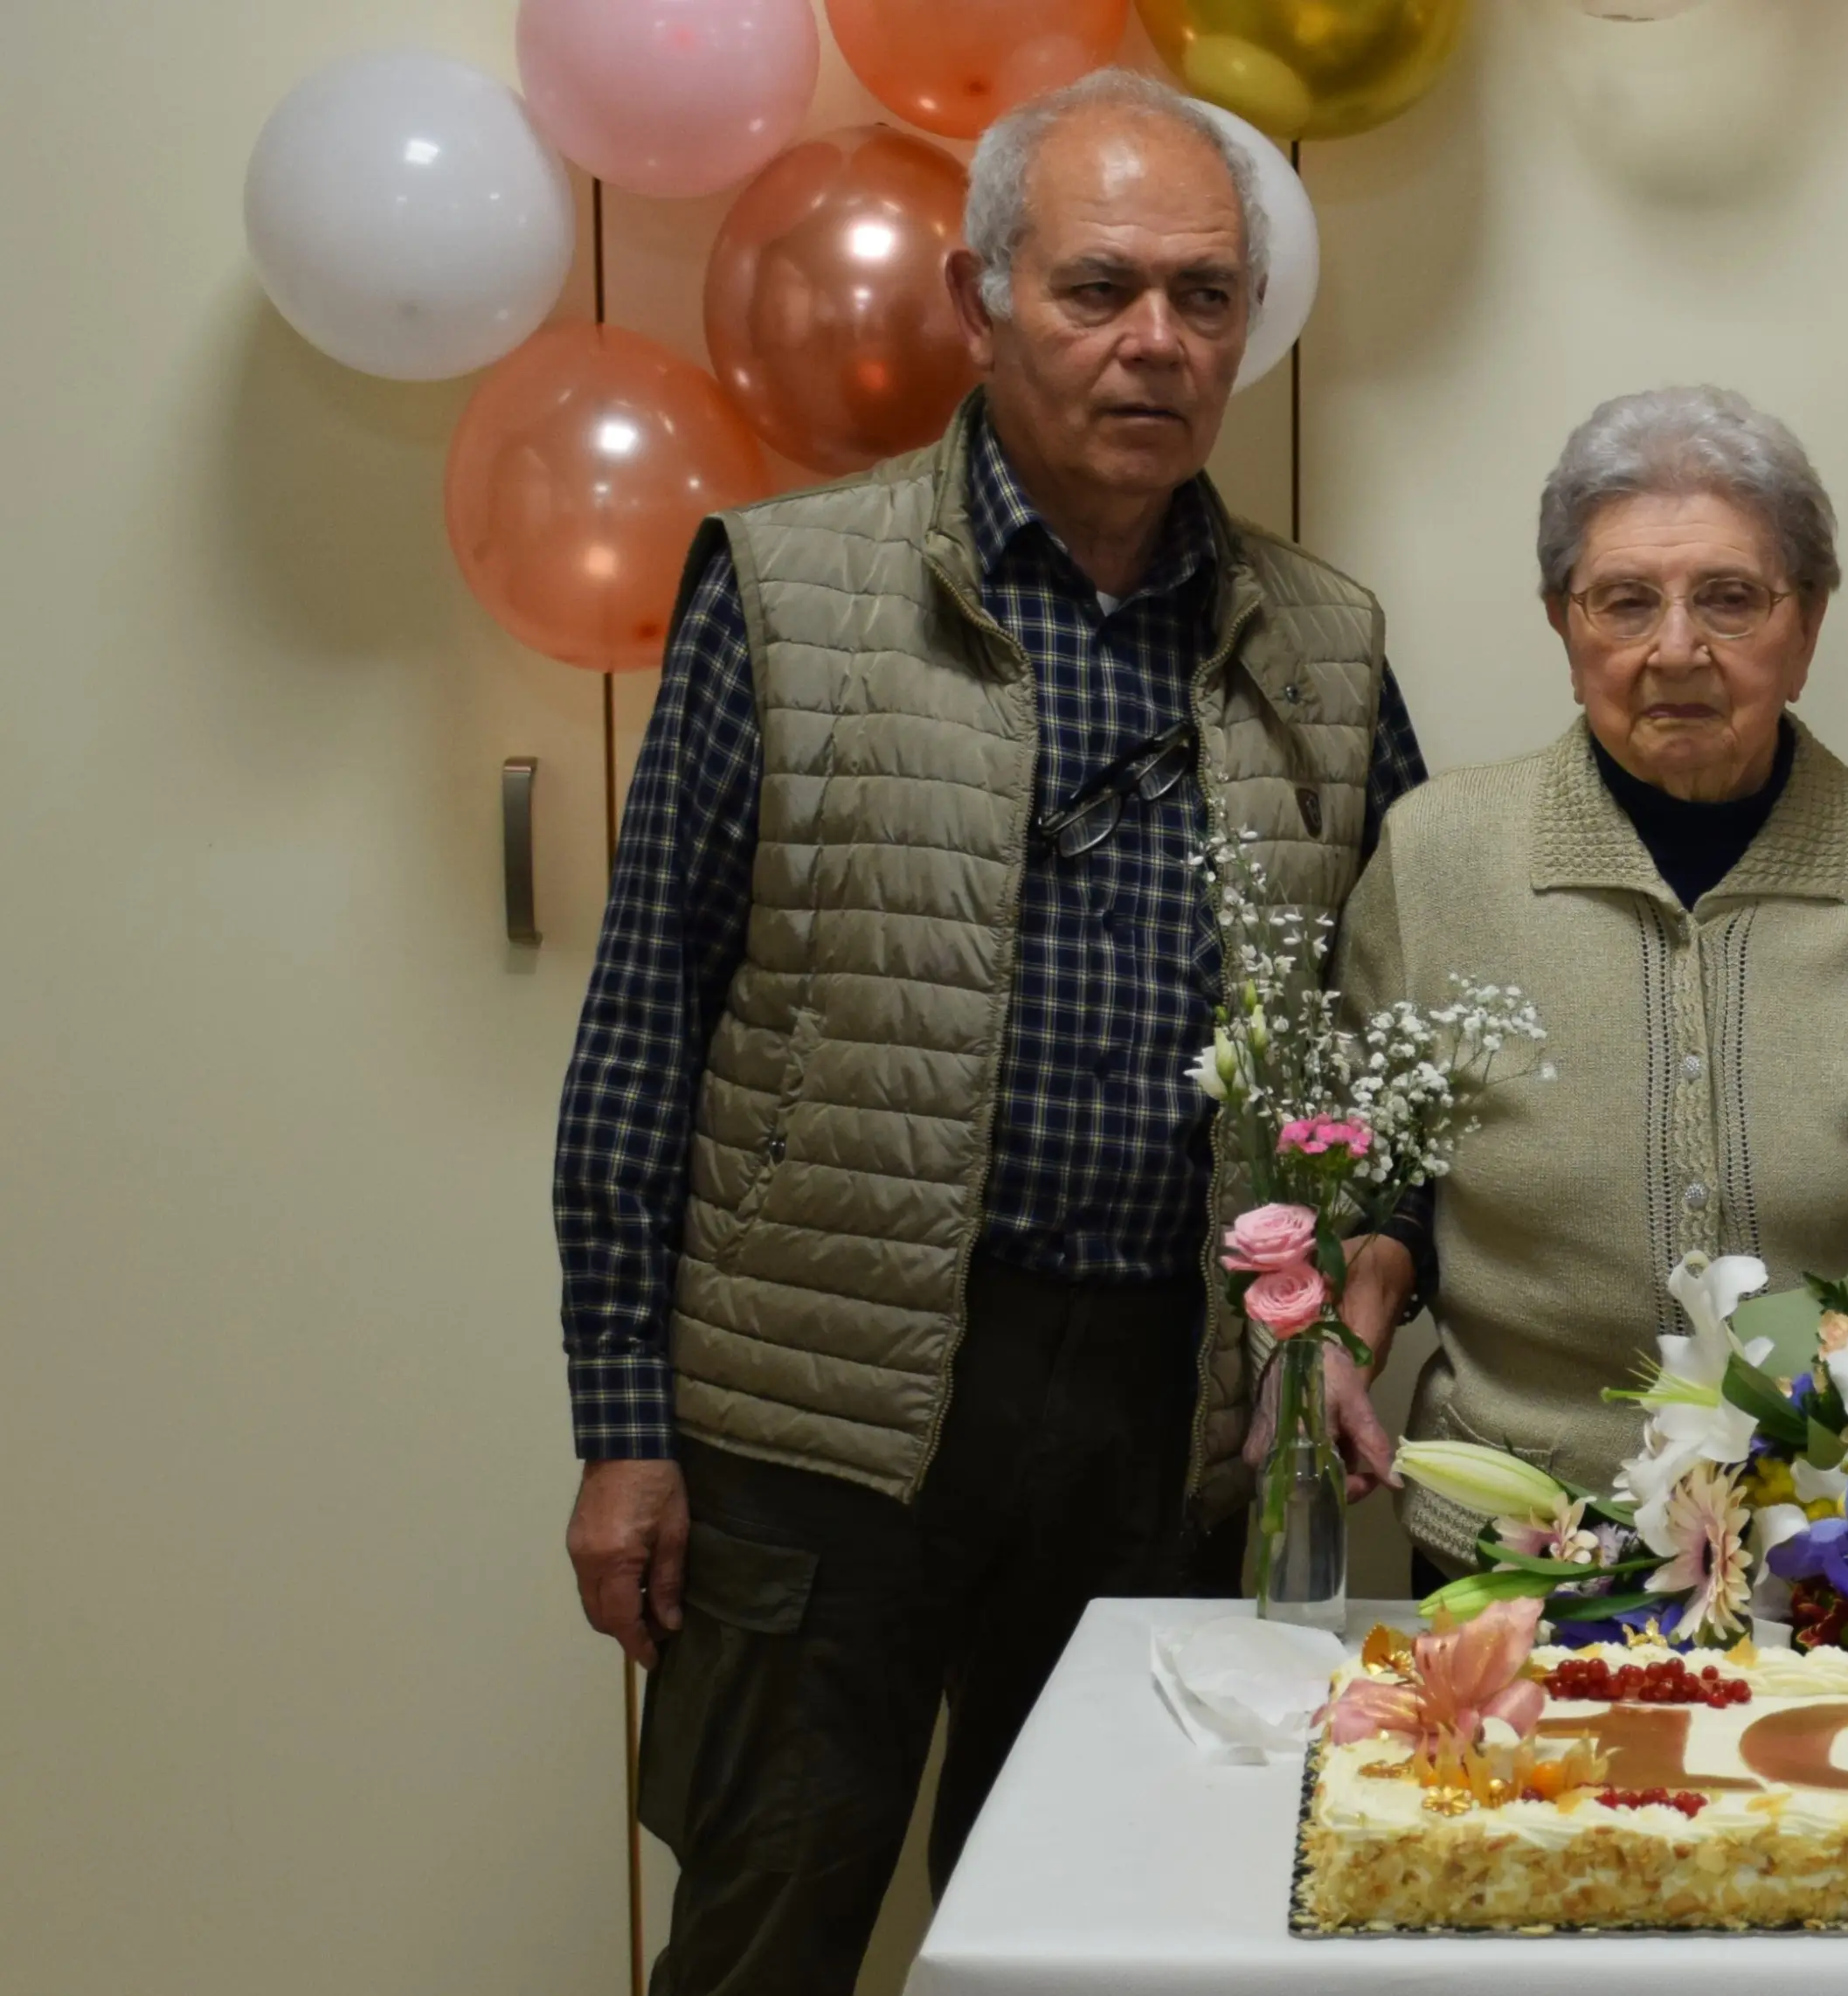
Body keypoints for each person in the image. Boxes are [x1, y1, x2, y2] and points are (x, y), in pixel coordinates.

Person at [550, 71, 1425, 1995]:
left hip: (1162, 1422)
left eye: (1204, 298)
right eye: (1098, 286)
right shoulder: (786, 596)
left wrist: (1356, 1294)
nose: (1155, 341)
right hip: (824, 1416)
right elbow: (640, 1032)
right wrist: (623, 1428)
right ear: (979, 299)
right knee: (765, 1926)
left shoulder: (1327, 646)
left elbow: (1391, 1062)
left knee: (1101, 1942)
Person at [1341, 385, 1848, 1602]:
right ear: (1562, 623)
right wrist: (1337, 1302)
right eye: (1625, 600)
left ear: (1805, 629)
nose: (1678, 647)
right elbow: (1374, 1175)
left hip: (1842, 1555)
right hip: (1519, 1547)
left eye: (1732, 598)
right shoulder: (1438, 858)